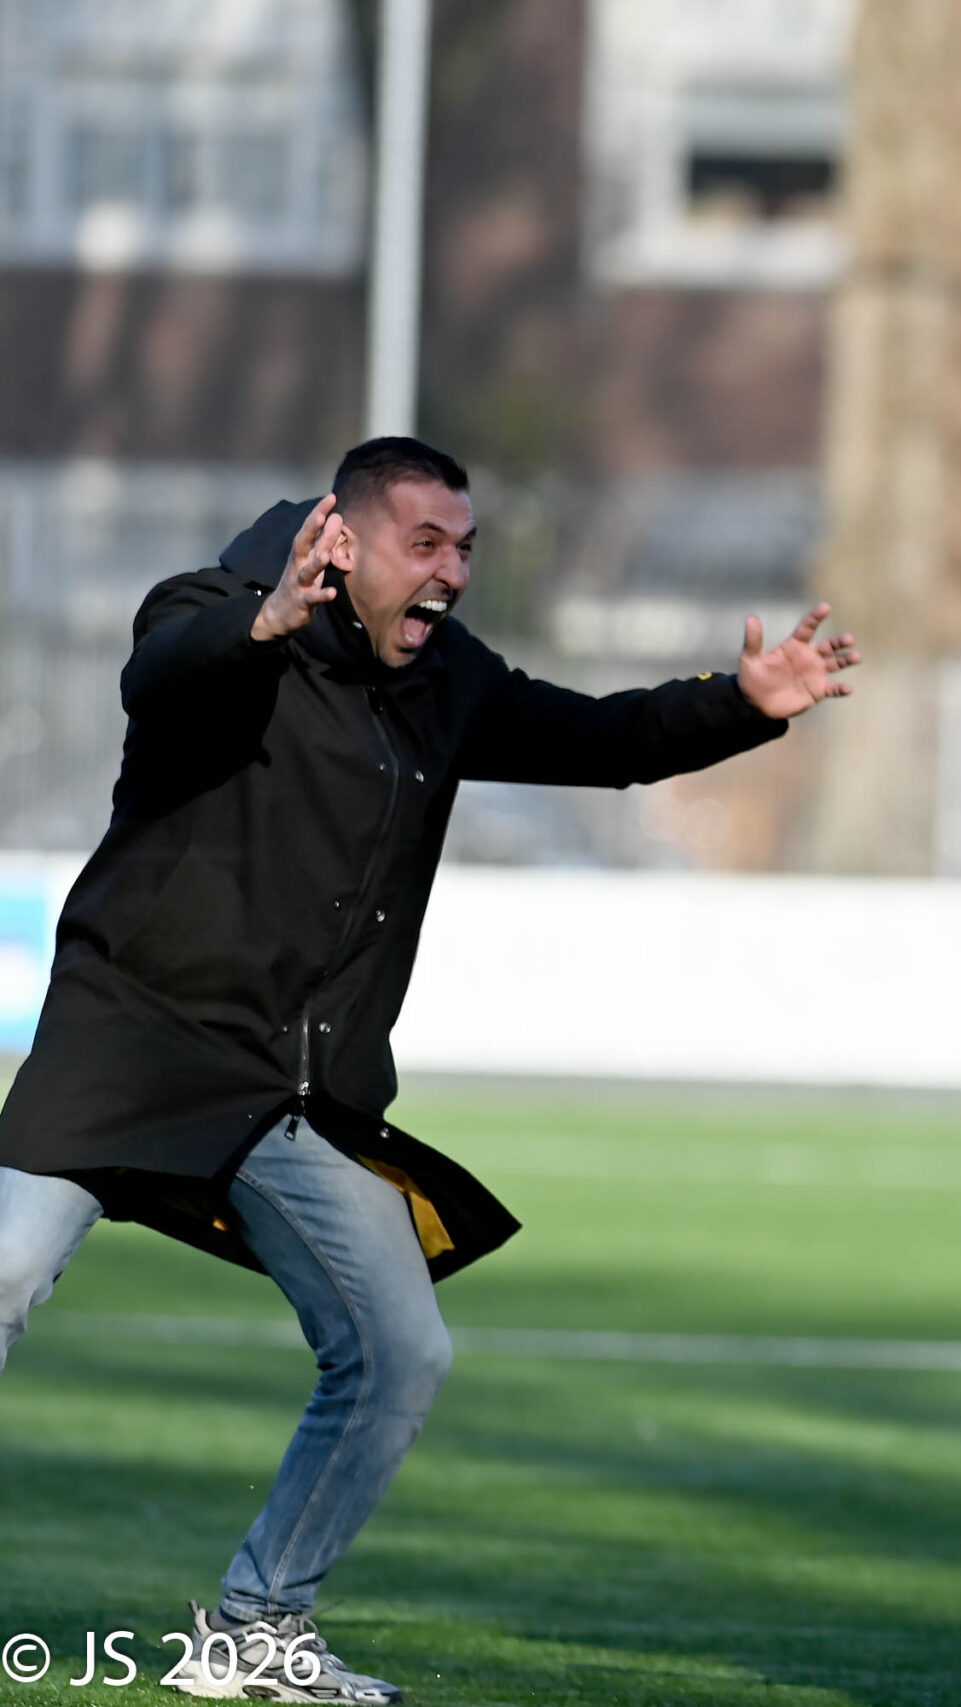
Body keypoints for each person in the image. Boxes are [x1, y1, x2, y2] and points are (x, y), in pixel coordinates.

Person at [0, 436, 859, 1705]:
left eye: (465, 546)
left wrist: (739, 705)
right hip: (126, 1047)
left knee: (402, 1351)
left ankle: (255, 1627)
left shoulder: (443, 677)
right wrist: (265, 622)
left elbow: (598, 738)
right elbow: (162, 678)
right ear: (340, 543)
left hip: (282, 1095)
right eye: (427, 545)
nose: (453, 570)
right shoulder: (210, 615)